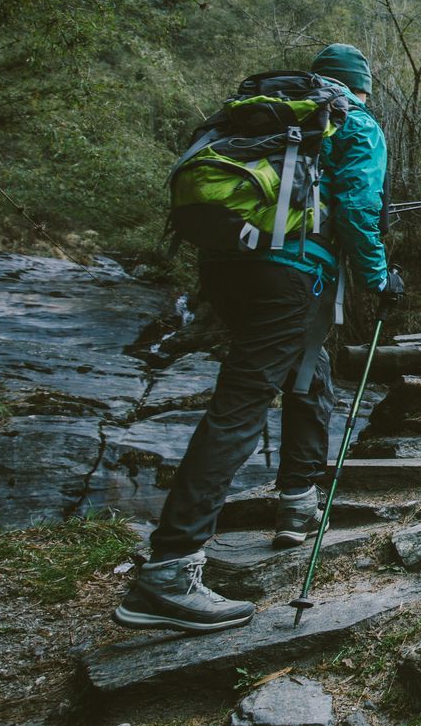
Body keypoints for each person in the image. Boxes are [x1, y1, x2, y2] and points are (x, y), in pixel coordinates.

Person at [114, 43, 402, 633]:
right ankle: (168, 570)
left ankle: (297, 498)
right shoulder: (355, 120)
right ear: (359, 87)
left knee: (308, 368)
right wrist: (379, 277)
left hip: (228, 265)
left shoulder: (266, 111)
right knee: (242, 405)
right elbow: (356, 206)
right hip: (288, 273)